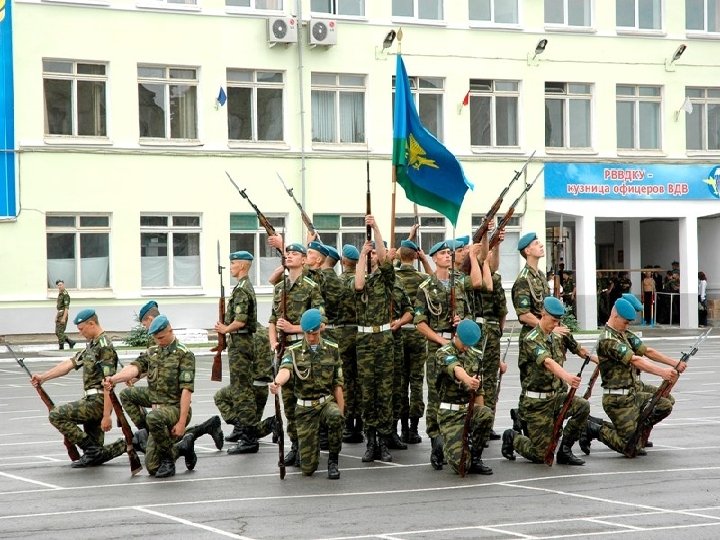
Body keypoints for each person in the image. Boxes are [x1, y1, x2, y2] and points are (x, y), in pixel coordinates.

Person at [579, 298, 680, 458]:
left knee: (663, 404)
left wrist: (674, 363)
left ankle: (634, 434)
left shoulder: (621, 334)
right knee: (629, 448)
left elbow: (646, 351)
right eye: (625, 322)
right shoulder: (608, 339)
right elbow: (635, 359)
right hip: (617, 399)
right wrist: (662, 372)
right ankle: (593, 429)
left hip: (631, 393)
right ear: (615, 316)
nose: (627, 326)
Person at [501, 297, 592, 466]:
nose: (555, 325)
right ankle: (512, 437)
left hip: (555, 397)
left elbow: (579, 349)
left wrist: (597, 360)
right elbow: (547, 362)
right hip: (537, 403)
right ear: (543, 314)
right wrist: (567, 377)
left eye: (558, 321)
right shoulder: (531, 339)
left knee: (582, 406)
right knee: (540, 455)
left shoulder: (557, 335)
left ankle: (565, 450)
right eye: (553, 320)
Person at [105, 315, 197, 478]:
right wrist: (114, 379)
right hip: (155, 400)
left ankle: (169, 459)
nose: (159, 341)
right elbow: (135, 368)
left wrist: (182, 422)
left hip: (175, 407)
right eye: (156, 338)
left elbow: (186, 390)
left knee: (154, 464)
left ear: (170, 330)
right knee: (127, 394)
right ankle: (158, 436)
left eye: (161, 337)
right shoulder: (153, 352)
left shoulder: (184, 354)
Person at [31, 308, 125, 468]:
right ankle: (130, 443)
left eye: (82, 329)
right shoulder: (92, 345)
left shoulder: (104, 347)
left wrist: (107, 415)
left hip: (99, 401)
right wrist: (43, 377)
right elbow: (69, 364)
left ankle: (90, 449)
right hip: (92, 399)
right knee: (96, 457)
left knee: (56, 415)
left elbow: (108, 382)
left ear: (92, 323)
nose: (80, 333)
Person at [414, 240, 473, 469]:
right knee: (437, 395)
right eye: (443, 253)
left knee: (460, 390)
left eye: (449, 253)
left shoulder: (459, 283)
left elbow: (469, 312)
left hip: (459, 344)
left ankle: (459, 438)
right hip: (437, 345)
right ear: (434, 258)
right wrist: (440, 340)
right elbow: (420, 322)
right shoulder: (426, 287)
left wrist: (462, 321)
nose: (448, 256)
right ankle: (436, 441)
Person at [270, 308, 344, 479]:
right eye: (308, 334)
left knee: (335, 416)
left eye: (315, 333)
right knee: (307, 470)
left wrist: (341, 414)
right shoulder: (293, 351)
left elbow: (338, 385)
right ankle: (312, 450)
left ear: (321, 329)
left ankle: (333, 462)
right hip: (305, 410)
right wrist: (277, 383)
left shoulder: (332, 349)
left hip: (325, 403)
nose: (311, 338)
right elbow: (285, 370)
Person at [268, 241, 325, 466]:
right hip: (284, 349)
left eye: (295, 254)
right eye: (287, 253)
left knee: (306, 400)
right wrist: (273, 342)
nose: (290, 256)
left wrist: (294, 328)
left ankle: (309, 445)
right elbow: (272, 319)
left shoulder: (311, 287)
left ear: (304, 260)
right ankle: (295, 445)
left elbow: (321, 323)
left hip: (303, 348)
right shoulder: (279, 287)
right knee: (289, 401)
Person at [352, 215, 402, 463]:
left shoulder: (386, 278)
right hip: (364, 341)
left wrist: (377, 229)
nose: (374, 258)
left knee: (384, 391)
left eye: (373, 256)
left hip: (383, 338)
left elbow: (384, 258)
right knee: (367, 392)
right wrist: (362, 254)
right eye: (370, 256)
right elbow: (359, 285)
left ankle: (383, 440)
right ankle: (370, 440)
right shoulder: (361, 277)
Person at [214, 250, 262, 454]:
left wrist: (226, 329)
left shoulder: (242, 290)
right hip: (239, 342)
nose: (231, 267)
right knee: (239, 389)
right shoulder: (241, 287)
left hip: (241, 342)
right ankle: (243, 428)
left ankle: (249, 437)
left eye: (233, 263)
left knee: (243, 392)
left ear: (242, 266)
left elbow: (241, 320)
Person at [436, 319, 494, 475]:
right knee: (461, 466)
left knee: (486, 413)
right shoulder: (444, 352)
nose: (467, 348)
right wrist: (468, 380)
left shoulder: (476, 355)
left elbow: (479, 392)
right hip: (450, 413)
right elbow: (456, 369)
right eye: (465, 344)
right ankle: (442, 444)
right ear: (456, 336)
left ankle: (476, 458)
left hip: (468, 409)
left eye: (470, 345)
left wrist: (478, 419)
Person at [394, 239, 428, 445]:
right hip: (417, 332)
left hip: (397, 332)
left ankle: (402, 426)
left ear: (399, 256)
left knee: (399, 381)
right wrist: (424, 260)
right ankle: (414, 429)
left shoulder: (394, 278)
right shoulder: (422, 279)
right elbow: (437, 282)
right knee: (415, 381)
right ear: (415, 256)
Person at [54, 279, 75, 350]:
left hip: (63, 314)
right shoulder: (60, 294)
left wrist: (63, 318)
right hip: (59, 314)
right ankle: (70, 342)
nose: (59, 286)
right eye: (58, 285)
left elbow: (66, 308)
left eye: (61, 285)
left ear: (63, 285)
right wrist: (56, 316)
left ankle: (61, 347)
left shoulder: (65, 295)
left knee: (60, 332)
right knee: (57, 332)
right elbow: (59, 308)